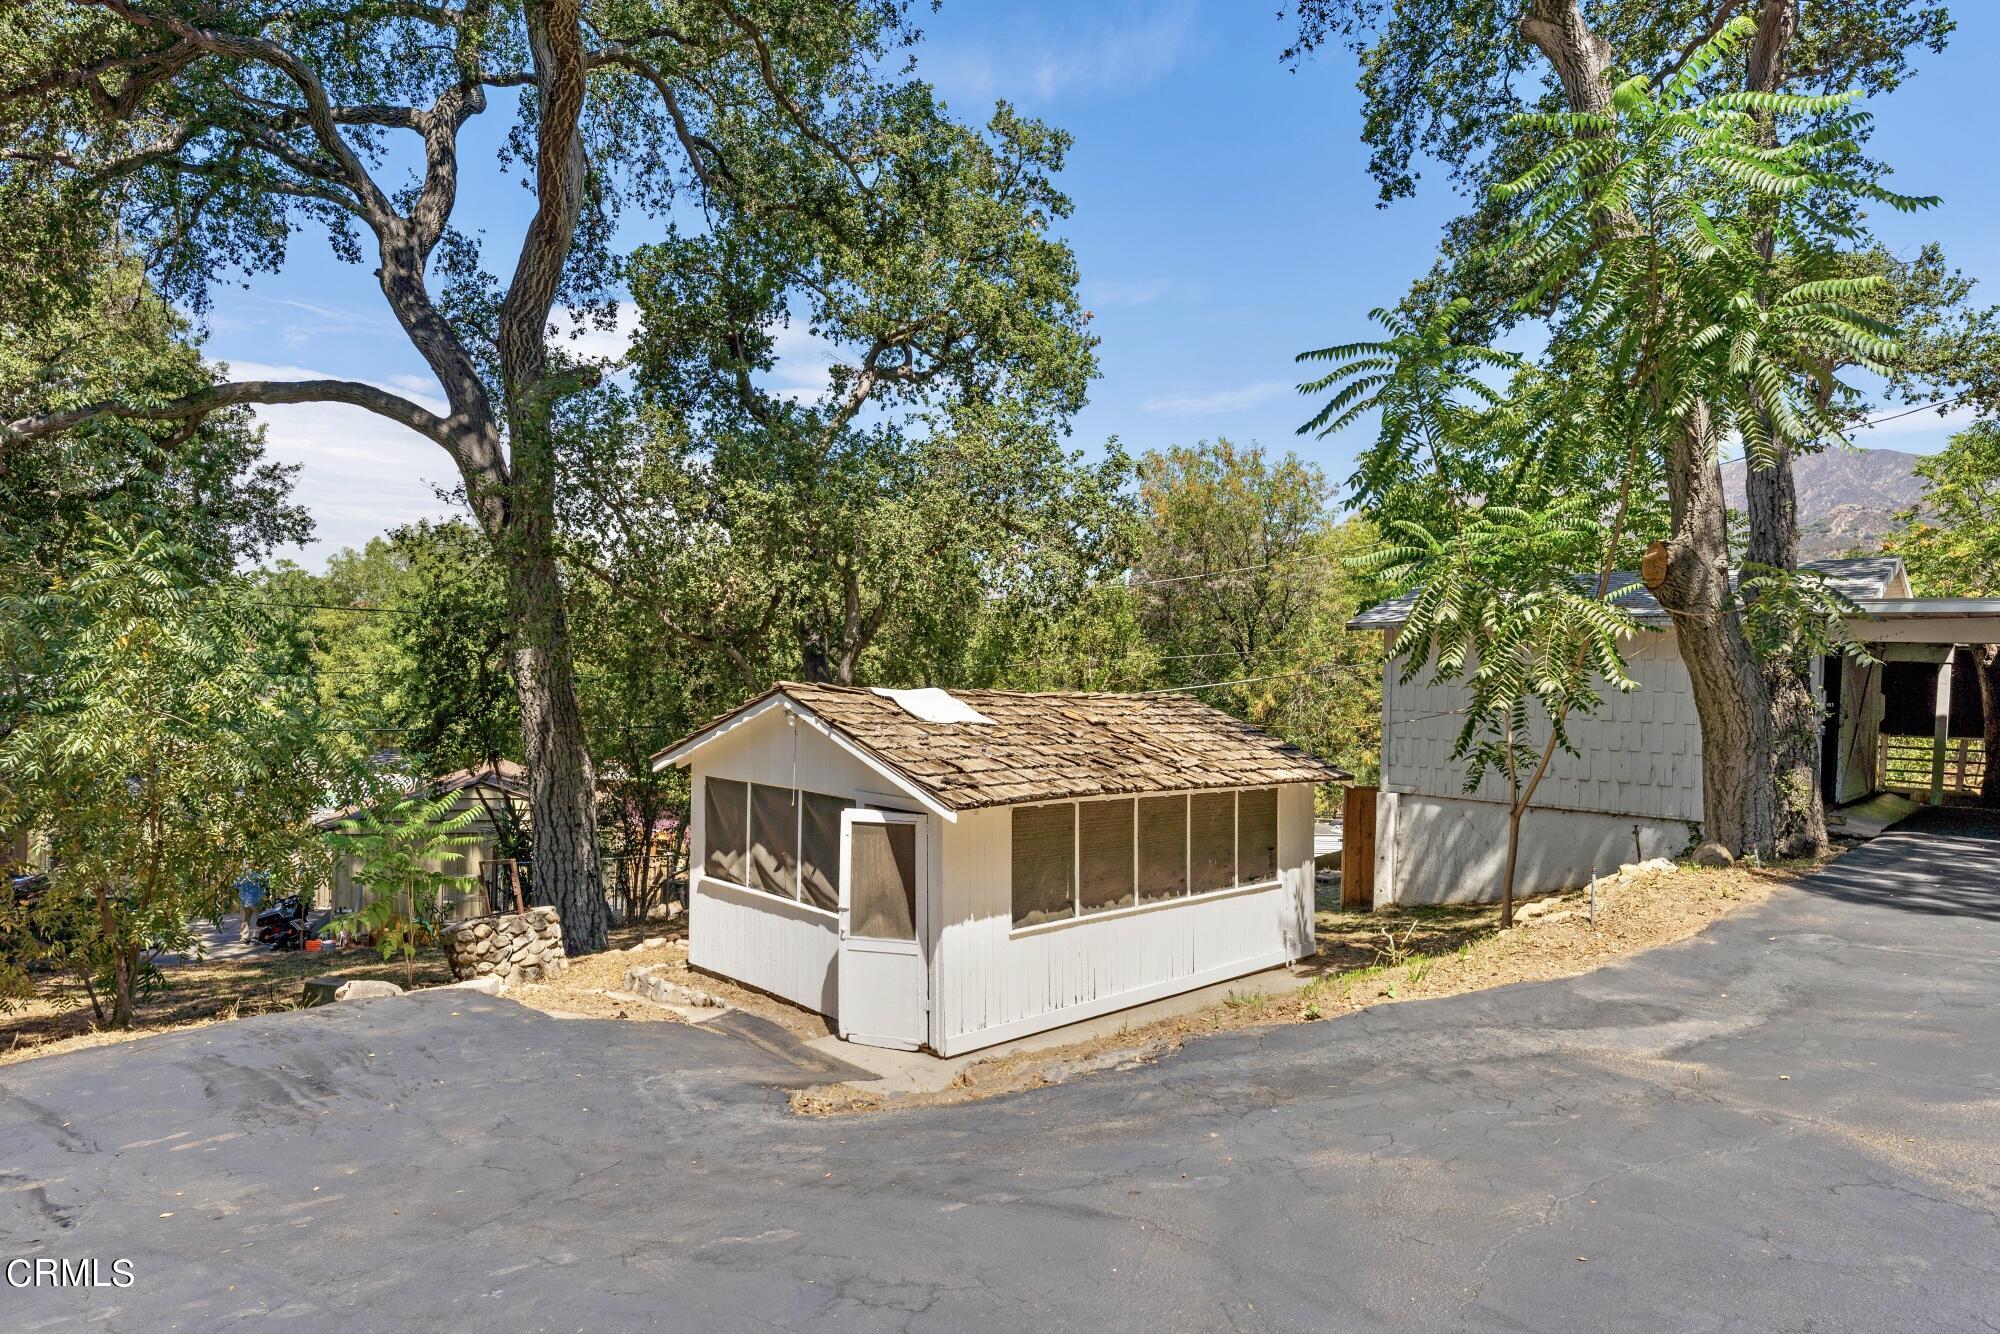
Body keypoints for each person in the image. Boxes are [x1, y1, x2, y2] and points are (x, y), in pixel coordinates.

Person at [235, 871, 268, 943]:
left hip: (244, 901)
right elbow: (266, 883)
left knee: (245, 920)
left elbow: (235, 885)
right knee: (261, 919)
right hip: (256, 900)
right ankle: (256, 936)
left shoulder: (241, 875)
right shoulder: (261, 874)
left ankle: (244, 938)